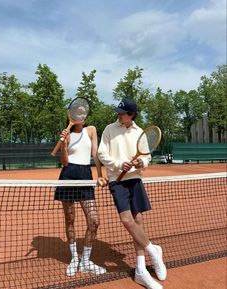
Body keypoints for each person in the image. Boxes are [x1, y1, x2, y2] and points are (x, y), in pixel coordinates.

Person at [98, 99, 167, 289]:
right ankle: (154, 251)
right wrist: (120, 164)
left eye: (122, 112)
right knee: (127, 220)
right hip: (117, 181)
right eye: (119, 112)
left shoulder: (139, 132)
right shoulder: (109, 129)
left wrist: (140, 163)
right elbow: (101, 153)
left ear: (132, 115)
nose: (119, 115)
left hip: (135, 179)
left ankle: (140, 270)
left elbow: (147, 157)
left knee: (138, 221)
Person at [55, 121, 107, 277]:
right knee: (70, 219)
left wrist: (99, 175)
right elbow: (64, 162)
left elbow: (95, 153)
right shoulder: (67, 134)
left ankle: (85, 261)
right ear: (72, 115)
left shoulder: (91, 130)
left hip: (85, 175)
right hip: (68, 176)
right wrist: (64, 144)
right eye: (78, 111)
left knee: (94, 220)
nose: (81, 114)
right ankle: (74, 259)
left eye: (83, 111)